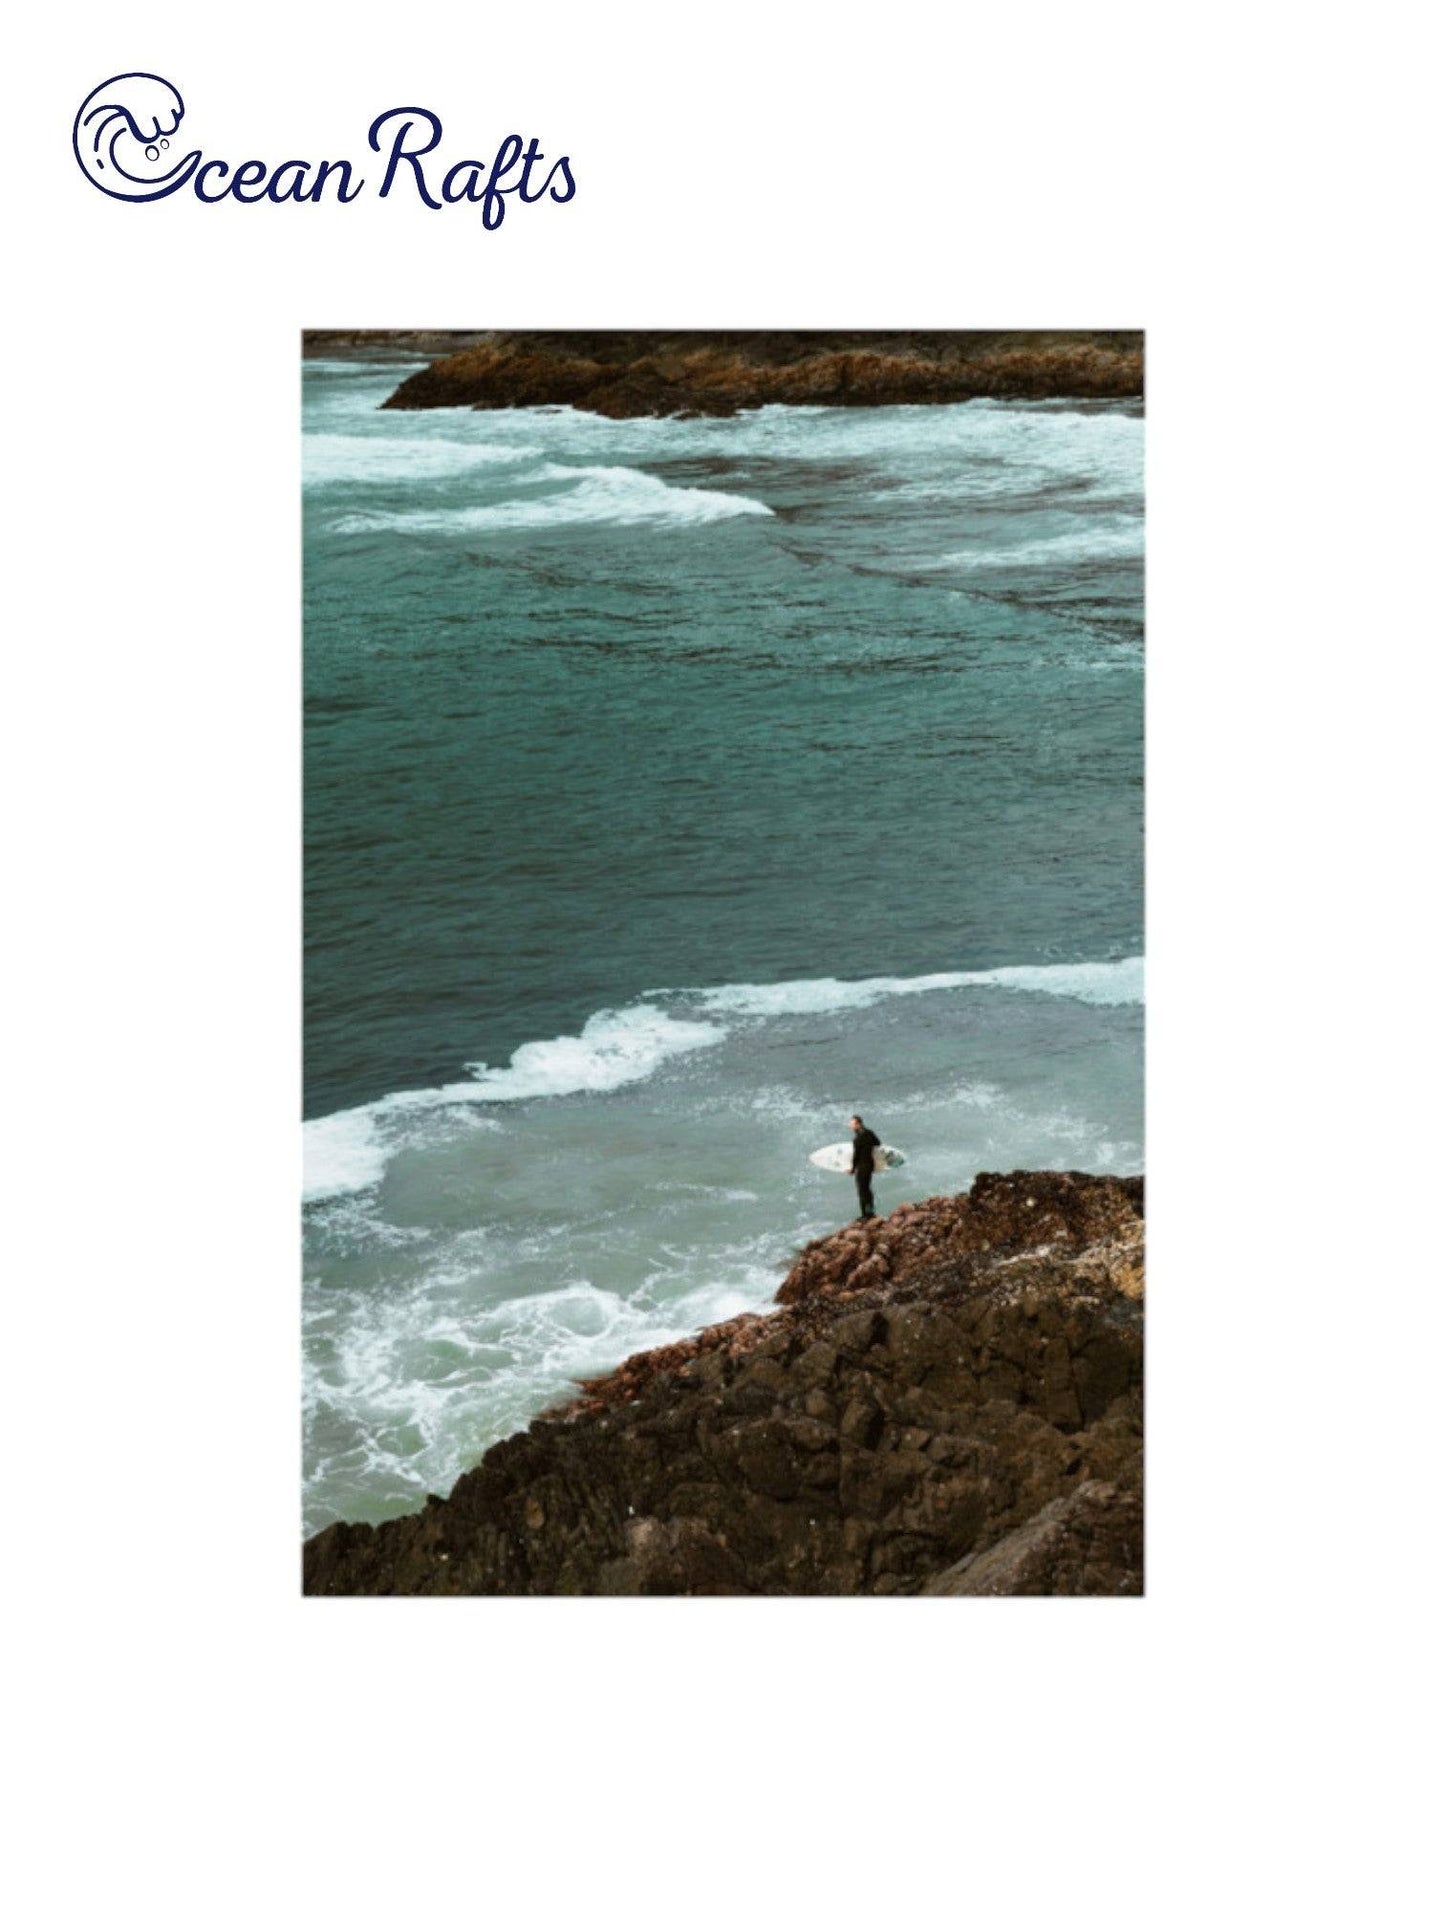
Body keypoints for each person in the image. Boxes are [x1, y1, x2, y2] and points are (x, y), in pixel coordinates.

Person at [849, 1113, 881, 1220]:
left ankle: (865, 1216)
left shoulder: (857, 1139)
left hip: (862, 1167)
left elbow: (856, 1157)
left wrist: (852, 1170)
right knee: (868, 1190)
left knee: (862, 1191)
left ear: (858, 1124)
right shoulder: (869, 1133)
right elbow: (878, 1143)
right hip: (870, 1165)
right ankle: (871, 1213)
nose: (850, 1126)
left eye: (852, 1124)